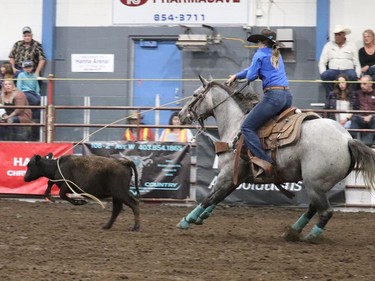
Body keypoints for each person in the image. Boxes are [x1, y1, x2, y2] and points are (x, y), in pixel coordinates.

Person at [226, 29, 293, 178]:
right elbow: (251, 70)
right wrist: (236, 76)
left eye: (258, 42)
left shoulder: (260, 54)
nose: (257, 44)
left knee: (247, 127)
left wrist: (244, 77)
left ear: (261, 42)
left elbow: (251, 75)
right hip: (287, 96)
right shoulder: (276, 54)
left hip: (274, 97)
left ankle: (266, 162)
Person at [319, 25, 361, 97]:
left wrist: (358, 75)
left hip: (348, 70)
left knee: (353, 76)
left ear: (344, 35)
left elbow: (357, 63)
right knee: (325, 75)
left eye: (339, 34)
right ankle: (331, 97)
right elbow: (322, 62)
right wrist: (323, 73)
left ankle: (350, 97)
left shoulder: (352, 45)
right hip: (333, 70)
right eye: (335, 34)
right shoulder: (328, 45)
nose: (337, 36)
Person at [349, 75, 375, 146]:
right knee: (354, 118)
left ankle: (373, 143)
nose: (362, 86)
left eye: (364, 84)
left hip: (373, 117)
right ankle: (354, 143)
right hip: (360, 117)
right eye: (361, 84)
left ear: (371, 83)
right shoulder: (357, 93)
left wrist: (371, 115)